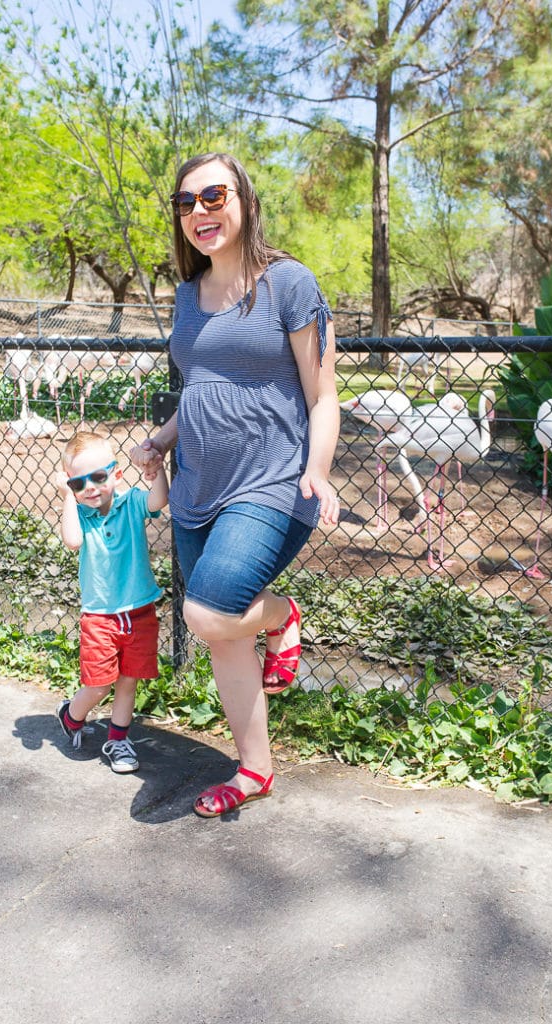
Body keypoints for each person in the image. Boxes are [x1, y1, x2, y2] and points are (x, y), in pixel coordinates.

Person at [131, 152, 341, 817]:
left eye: (213, 196)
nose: (200, 212)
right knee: (224, 634)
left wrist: (318, 469)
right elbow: (202, 389)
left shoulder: (289, 283)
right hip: (196, 485)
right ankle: (254, 769)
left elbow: (323, 394)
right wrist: (159, 441)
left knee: (210, 612)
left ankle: (284, 616)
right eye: (186, 203)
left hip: (273, 481)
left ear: (244, 199)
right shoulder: (187, 298)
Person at [55, 430, 169, 773]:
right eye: (79, 483)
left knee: (128, 680)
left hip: (138, 611)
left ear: (116, 474)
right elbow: (73, 541)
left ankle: (118, 740)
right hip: (100, 617)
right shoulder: (82, 517)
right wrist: (66, 498)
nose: (90, 488)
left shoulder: (130, 502)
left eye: (99, 477)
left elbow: (159, 500)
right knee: (99, 683)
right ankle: (71, 714)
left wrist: (156, 471)